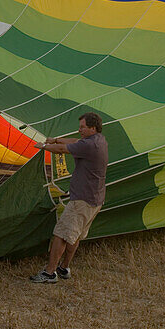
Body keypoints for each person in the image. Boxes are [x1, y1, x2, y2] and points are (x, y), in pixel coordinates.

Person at [30, 112, 108, 283]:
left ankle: (50, 273)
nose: (79, 130)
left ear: (92, 128)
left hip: (82, 200)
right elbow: (73, 141)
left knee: (62, 235)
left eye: (82, 127)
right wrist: (55, 139)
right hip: (95, 199)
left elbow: (63, 150)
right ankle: (64, 268)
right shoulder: (99, 140)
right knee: (75, 235)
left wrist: (43, 146)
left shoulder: (89, 146)